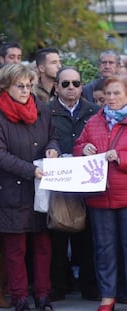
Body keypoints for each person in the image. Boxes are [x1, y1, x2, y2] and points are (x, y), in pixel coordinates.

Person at [0, 63, 60, 311]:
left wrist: (53, 149)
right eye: (20, 86)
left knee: (42, 246)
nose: (26, 90)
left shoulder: (42, 110)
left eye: (29, 85)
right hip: (11, 190)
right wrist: (30, 170)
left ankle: (42, 296)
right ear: (6, 86)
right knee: (15, 249)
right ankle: (19, 298)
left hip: (40, 190)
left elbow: (53, 136)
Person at [73, 75, 127, 311]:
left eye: (117, 93)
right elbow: (77, 147)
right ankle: (108, 295)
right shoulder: (94, 121)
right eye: (109, 94)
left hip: (125, 196)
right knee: (104, 248)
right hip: (99, 196)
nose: (112, 98)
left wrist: (122, 158)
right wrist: (82, 148)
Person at [47, 66, 100, 302]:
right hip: (58, 180)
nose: (71, 88)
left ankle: (89, 286)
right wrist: (53, 149)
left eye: (76, 84)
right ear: (56, 86)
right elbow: (45, 139)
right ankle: (59, 286)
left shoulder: (94, 111)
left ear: (82, 85)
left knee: (87, 237)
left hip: (87, 180)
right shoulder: (46, 111)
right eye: (65, 84)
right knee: (57, 234)